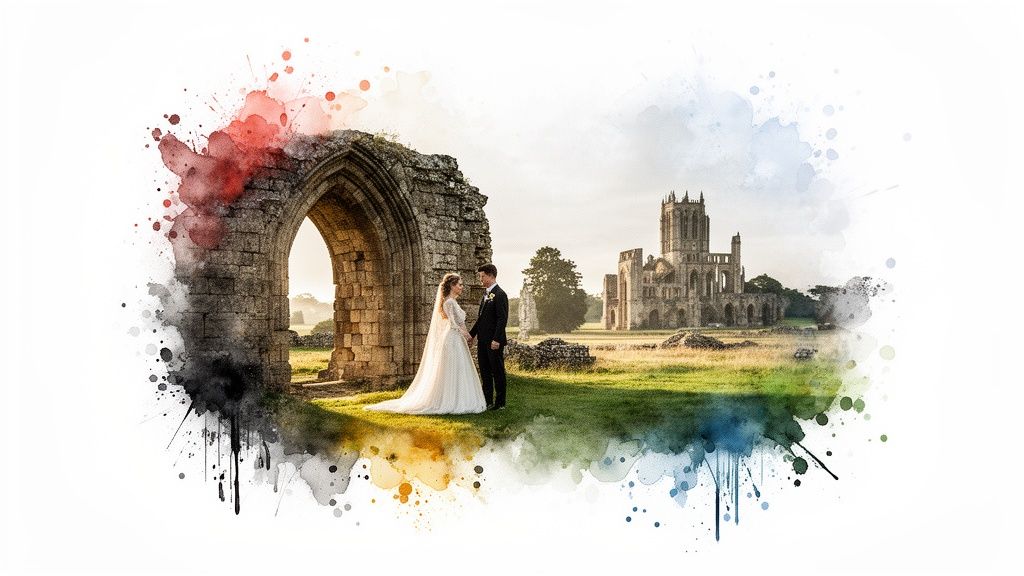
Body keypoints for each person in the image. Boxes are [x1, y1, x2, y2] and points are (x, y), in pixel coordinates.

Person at [364, 273, 486, 414]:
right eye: (460, 284)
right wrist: (467, 335)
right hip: (452, 339)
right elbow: (453, 324)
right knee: (453, 368)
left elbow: (461, 323)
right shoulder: (449, 303)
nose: (462, 287)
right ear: (452, 286)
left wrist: (468, 337)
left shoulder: (453, 302)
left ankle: (460, 397)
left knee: (460, 367)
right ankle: (450, 400)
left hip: (457, 338)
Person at [469, 263, 508, 410]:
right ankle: (487, 401)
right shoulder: (486, 294)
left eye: (482, 276)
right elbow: (481, 319)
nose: (481, 279)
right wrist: (472, 335)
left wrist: (496, 339)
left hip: (494, 342)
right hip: (482, 341)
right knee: (485, 371)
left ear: (491, 275)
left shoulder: (500, 294)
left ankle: (500, 403)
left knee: (497, 371)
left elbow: (502, 319)